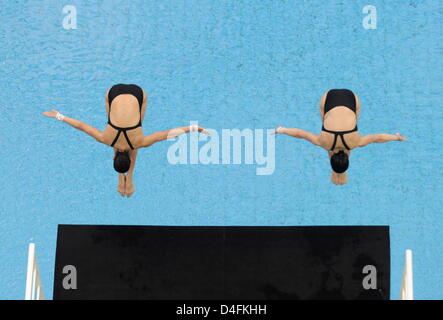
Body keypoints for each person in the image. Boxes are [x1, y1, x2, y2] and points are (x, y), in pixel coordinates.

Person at [43, 84, 208, 197]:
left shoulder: (140, 142)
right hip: (113, 93)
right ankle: (127, 178)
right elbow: (81, 126)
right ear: (114, 157)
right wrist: (58, 115)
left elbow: (167, 134)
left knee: (135, 137)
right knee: (120, 137)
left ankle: (127, 177)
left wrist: (194, 128)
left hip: (138, 94)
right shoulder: (105, 139)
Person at [274, 89, 407, 185]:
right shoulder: (322, 142)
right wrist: (281, 130)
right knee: (325, 121)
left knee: (354, 118)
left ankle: (339, 167)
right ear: (331, 156)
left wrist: (396, 138)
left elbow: (378, 138)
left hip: (350, 97)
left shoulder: (355, 143)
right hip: (329, 98)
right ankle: (336, 164)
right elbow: (300, 134)